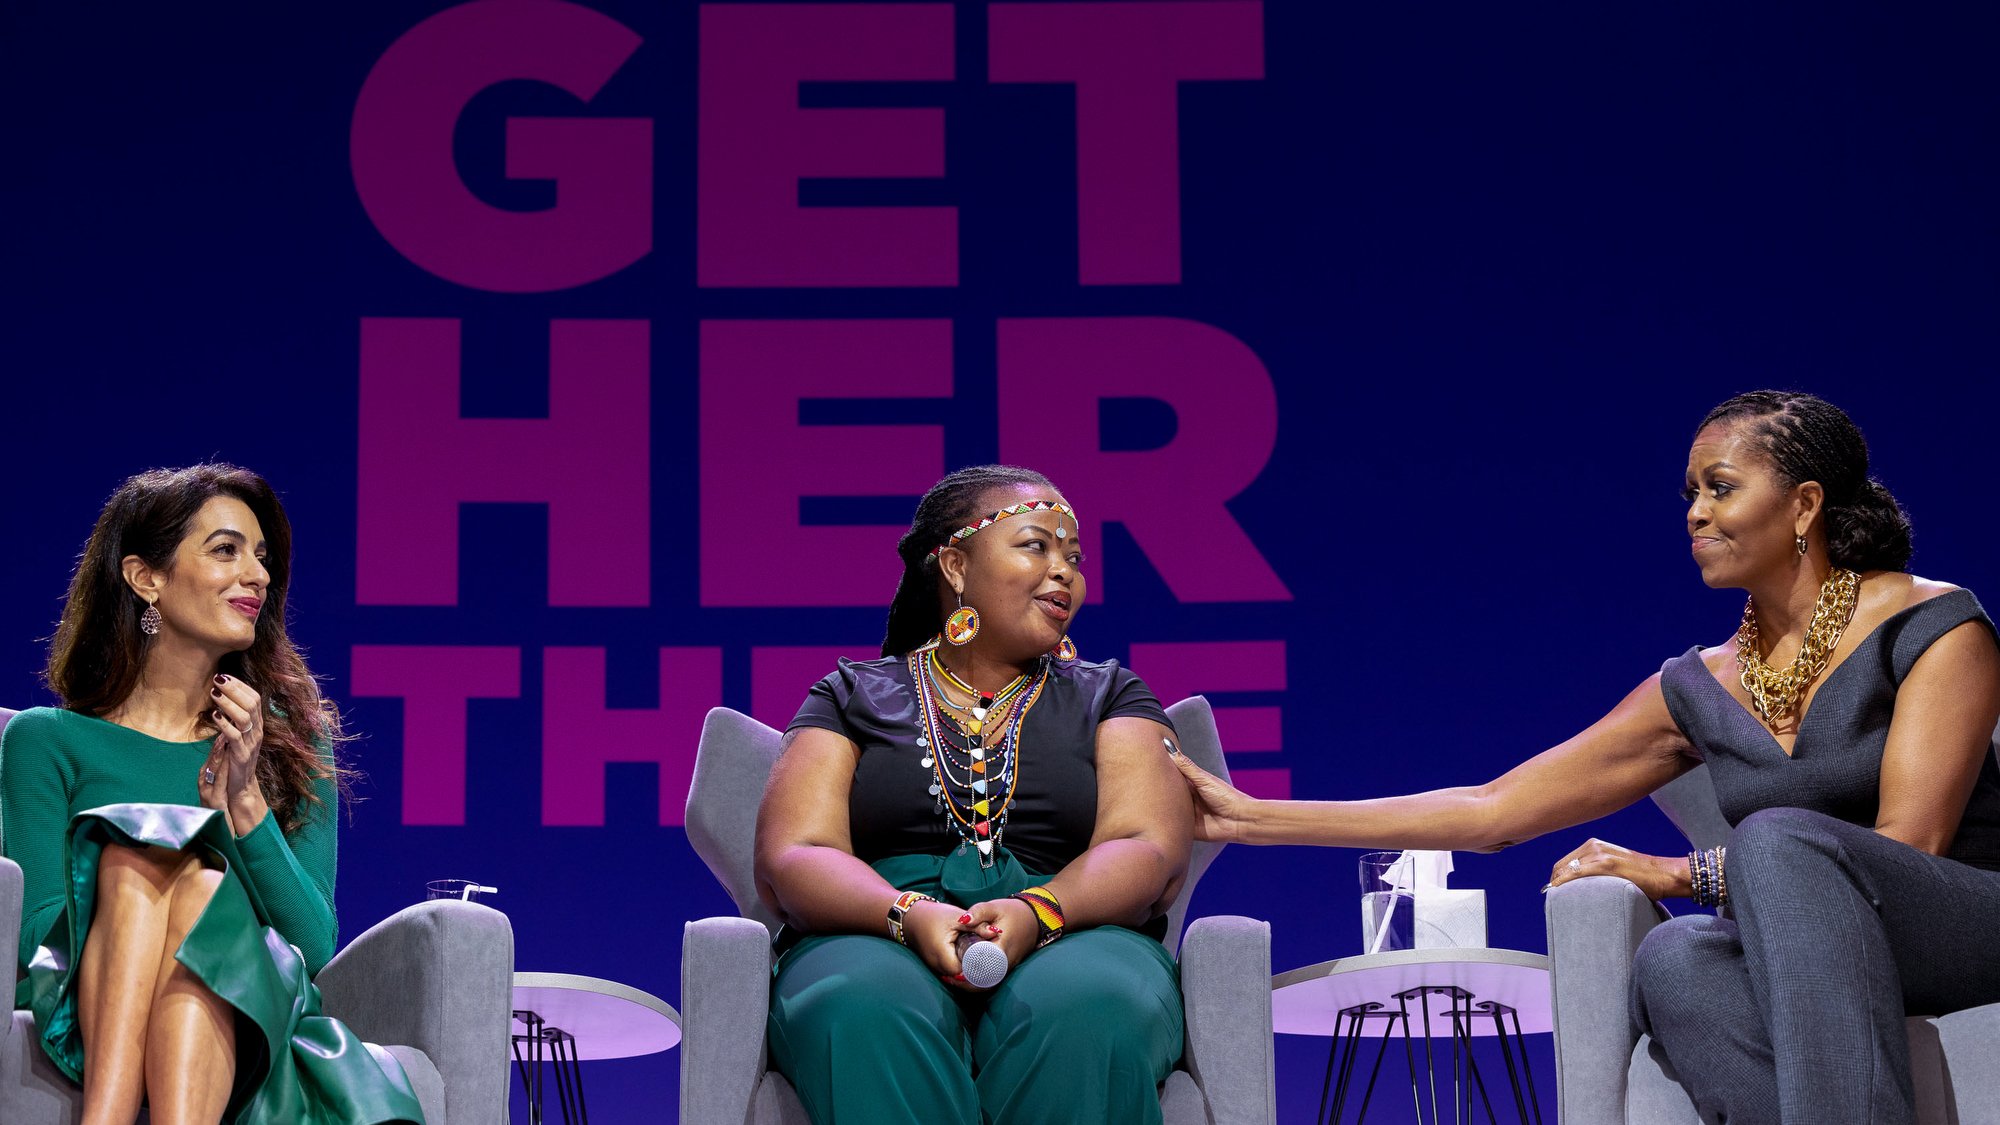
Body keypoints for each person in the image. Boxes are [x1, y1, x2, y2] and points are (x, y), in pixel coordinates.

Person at [1172, 391, 2000, 1124]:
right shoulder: (1698, 683)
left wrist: (1681, 874)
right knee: (1676, 961)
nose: (1694, 513)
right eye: (1690, 494)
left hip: (1954, 924)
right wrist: (1250, 817)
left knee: (1780, 838)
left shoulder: (1931, 624)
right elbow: (1495, 809)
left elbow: (1908, 844)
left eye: (1720, 487)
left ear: (1803, 505)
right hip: (1804, 948)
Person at [756, 465, 1195, 1124]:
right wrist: (907, 913)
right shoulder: (848, 695)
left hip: (1076, 928)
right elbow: (795, 853)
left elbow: (1147, 846)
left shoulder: (1112, 694)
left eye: (1073, 557)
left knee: (1087, 1008)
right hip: (876, 928)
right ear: (956, 564)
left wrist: (1038, 910)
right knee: (862, 1005)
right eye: (1035, 544)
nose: (1065, 573)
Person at [1, 465, 424, 1125]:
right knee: (137, 855)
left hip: (254, 1017)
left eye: (262, 557)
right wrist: (149, 872)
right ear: (147, 578)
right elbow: (34, 940)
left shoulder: (291, 744)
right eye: (227, 549)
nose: (257, 574)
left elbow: (311, 945)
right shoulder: (44, 741)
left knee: (196, 884)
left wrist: (244, 798)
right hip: (89, 995)